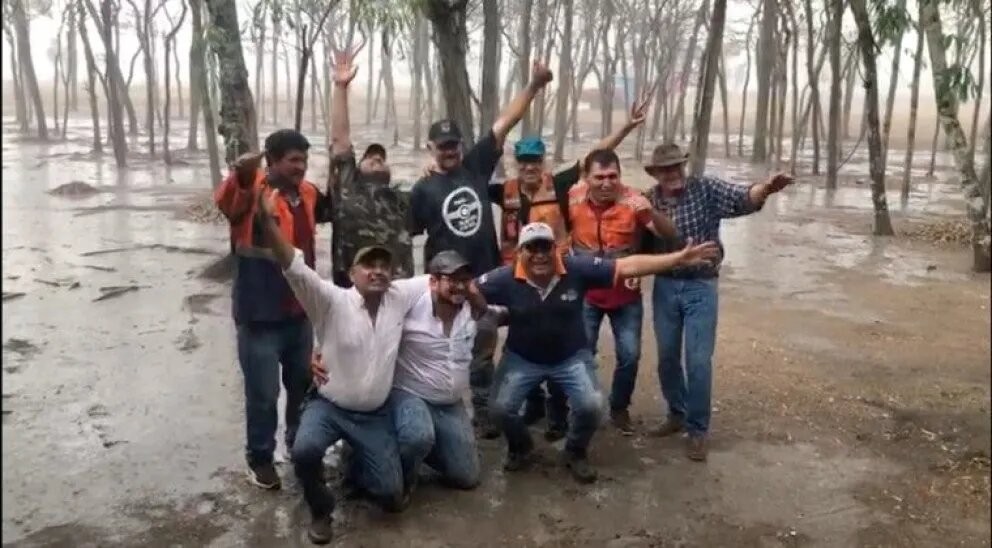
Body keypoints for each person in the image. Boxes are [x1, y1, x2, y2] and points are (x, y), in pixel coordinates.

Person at [478, 221, 720, 484]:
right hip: (521, 358)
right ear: (519, 253)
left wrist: (678, 259)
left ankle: (575, 451)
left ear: (556, 249)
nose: (539, 255)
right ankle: (521, 447)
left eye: (545, 247)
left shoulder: (576, 269)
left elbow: (626, 266)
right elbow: (462, 289)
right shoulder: (503, 278)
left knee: (593, 407)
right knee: (500, 410)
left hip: (570, 357)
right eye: (531, 248)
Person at [254, 190, 432, 545]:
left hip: (373, 415)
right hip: (329, 406)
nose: (378, 271)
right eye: (370, 265)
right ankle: (321, 509)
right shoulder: (331, 301)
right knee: (304, 451)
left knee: (390, 497)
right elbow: (293, 266)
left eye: (385, 266)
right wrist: (268, 223)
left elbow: (443, 278)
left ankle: (356, 463)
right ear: (352, 273)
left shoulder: (400, 296)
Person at [496, 93, 657, 438]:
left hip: (559, 277)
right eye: (523, 162)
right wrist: (433, 170)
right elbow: (466, 183)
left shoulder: (560, 185)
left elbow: (594, 158)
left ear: (543, 163)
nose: (529, 168)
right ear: (515, 164)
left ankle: (566, 414)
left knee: (564, 345)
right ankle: (536, 404)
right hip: (520, 281)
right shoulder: (503, 191)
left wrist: (626, 127)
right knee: (524, 342)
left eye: (535, 162)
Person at [408, 61, 555, 438]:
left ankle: (490, 410)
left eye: (453, 144)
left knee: (486, 343)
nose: (449, 151)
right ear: (431, 149)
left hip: (485, 275)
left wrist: (534, 85)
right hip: (446, 282)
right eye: (442, 147)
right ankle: (444, 411)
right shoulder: (422, 189)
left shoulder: (474, 166)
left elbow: (504, 121)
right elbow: (405, 234)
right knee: (448, 347)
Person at [642, 143, 793, 461]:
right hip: (666, 286)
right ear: (655, 173)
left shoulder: (705, 189)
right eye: (664, 169)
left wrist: (765, 188)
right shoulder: (647, 200)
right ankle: (676, 413)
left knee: (698, 361)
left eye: (676, 166)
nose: (671, 173)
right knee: (667, 358)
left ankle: (697, 430)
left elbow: (741, 198)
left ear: (683, 166)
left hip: (701, 285)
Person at [214, 128, 332, 490]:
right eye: (293, 160)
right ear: (274, 161)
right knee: (263, 394)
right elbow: (227, 198)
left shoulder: (308, 193)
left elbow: (339, 206)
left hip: (299, 314)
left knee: (301, 386)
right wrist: (243, 171)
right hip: (259, 317)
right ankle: (261, 458)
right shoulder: (253, 194)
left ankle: (300, 448)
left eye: (304, 160)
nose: (301, 167)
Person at [567, 148, 678, 435]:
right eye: (599, 177)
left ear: (620, 176)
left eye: (612, 176)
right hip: (587, 294)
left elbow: (670, 234)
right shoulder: (572, 197)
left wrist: (648, 210)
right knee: (582, 353)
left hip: (625, 295)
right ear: (587, 178)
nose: (606, 183)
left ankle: (619, 408)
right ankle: (583, 406)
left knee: (629, 355)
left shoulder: (634, 201)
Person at [326, 43, 413, 287]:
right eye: (370, 157)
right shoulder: (348, 189)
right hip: (351, 293)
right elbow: (340, 141)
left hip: (396, 294)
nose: (377, 158)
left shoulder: (402, 201)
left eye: (382, 158)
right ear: (357, 167)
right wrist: (341, 87)